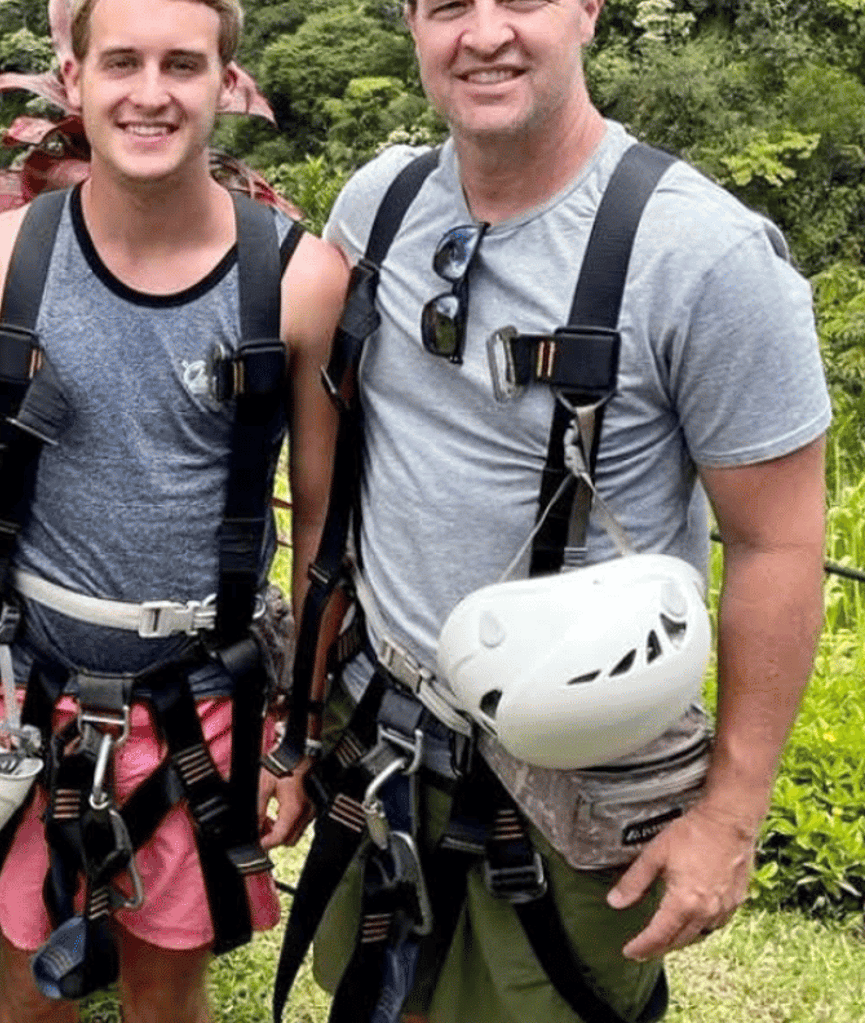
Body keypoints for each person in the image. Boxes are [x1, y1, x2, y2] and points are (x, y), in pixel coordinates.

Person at [278, 3, 831, 1022]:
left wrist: (730, 814)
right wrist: (301, 717)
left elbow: (778, 542)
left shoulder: (703, 258)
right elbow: (327, 450)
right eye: (446, 5)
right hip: (382, 742)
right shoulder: (379, 206)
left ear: (585, 9)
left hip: (577, 778)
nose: (482, 32)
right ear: (409, 23)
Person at [0, 0, 349, 1019]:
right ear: (72, 79)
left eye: (181, 64)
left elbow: (320, 531)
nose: (150, 92)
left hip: (202, 697)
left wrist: (299, 734)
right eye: (119, 61)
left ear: (224, 84)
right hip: (30, 689)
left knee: (169, 986)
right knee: (23, 985)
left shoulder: (295, 284)